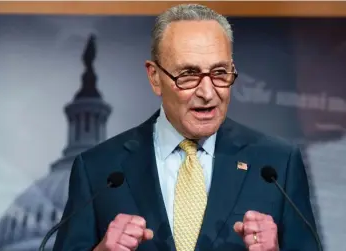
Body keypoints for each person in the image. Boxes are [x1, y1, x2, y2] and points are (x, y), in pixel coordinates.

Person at [53, 3, 319, 251]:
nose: (207, 92)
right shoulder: (98, 169)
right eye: (189, 75)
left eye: (219, 73)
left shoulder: (277, 165)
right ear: (155, 77)